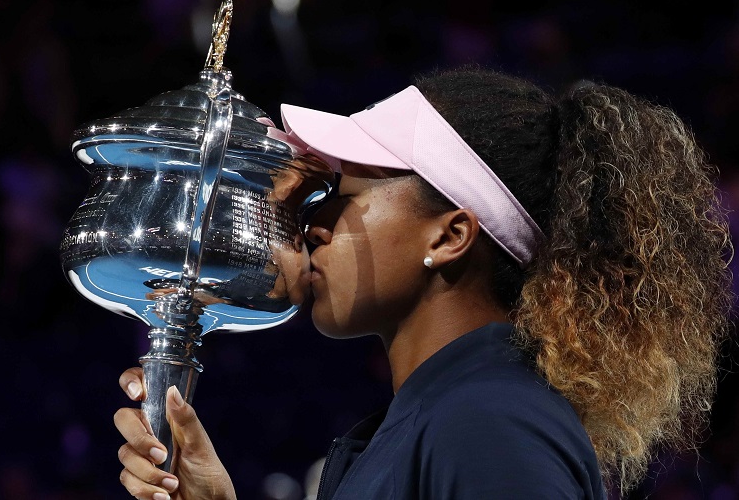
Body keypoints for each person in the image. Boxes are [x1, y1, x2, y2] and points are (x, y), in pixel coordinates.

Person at [113, 66, 734, 500]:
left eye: (345, 194)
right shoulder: (443, 419)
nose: (313, 223)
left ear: (448, 235)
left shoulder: (491, 422)